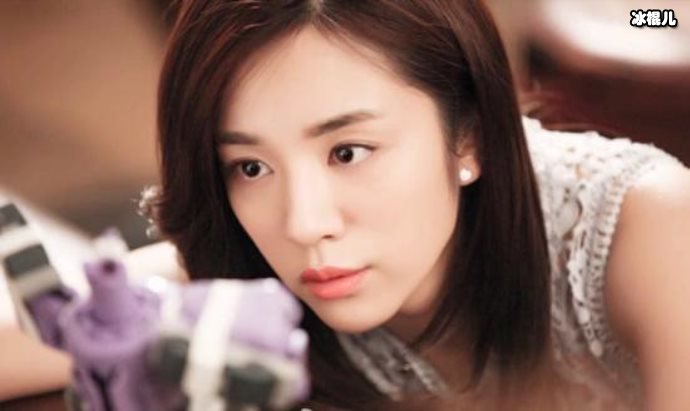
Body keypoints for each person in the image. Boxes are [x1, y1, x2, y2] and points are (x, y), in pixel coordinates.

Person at [149, 0, 690, 409]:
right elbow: (112, 302)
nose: (305, 224)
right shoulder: (236, 258)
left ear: (470, 136)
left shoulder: (651, 228)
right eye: (251, 167)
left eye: (347, 152)